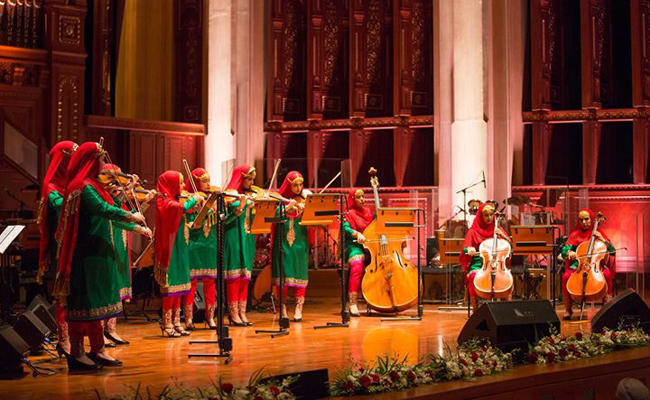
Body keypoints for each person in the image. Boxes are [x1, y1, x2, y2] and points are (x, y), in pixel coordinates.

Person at [54, 142, 150, 371]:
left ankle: (97, 349)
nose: (101, 164)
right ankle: (77, 353)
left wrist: (135, 226)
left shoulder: (95, 187)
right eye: (98, 159)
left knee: (97, 304)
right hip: (88, 256)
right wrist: (131, 215)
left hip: (100, 253)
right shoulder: (83, 187)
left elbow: (109, 216)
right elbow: (104, 211)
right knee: (84, 303)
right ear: (90, 161)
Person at [37, 140, 77, 358]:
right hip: (60, 249)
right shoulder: (52, 188)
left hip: (73, 247)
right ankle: (64, 339)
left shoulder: (70, 186)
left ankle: (76, 338)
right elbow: (61, 205)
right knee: (62, 296)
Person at [154, 171, 201, 337]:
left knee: (180, 284)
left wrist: (195, 206)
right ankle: (167, 324)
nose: (183, 186)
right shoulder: (165, 202)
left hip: (180, 246)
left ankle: (176, 321)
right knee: (171, 285)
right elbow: (180, 208)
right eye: (180, 183)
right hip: (170, 248)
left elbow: (185, 211)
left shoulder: (174, 200)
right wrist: (194, 199)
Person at [561, 208, 616, 320]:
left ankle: (607, 307)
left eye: (586, 219)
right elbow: (564, 251)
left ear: (591, 220)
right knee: (566, 276)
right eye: (581, 220)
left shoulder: (599, 233)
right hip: (579, 264)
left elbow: (612, 250)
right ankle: (568, 309)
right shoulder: (575, 234)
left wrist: (602, 240)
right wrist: (569, 252)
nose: (584, 222)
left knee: (607, 275)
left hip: (596, 264)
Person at [271, 171, 311, 322]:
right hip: (283, 241)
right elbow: (272, 215)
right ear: (289, 185)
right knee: (284, 272)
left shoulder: (305, 199)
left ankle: (299, 307)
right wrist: (287, 208)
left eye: (300, 184)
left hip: (300, 239)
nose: (299, 187)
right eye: (295, 185)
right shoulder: (281, 199)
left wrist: (307, 206)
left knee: (300, 270)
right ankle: (283, 307)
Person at [223, 165, 260, 326]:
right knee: (234, 276)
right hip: (233, 237)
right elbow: (224, 220)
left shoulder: (251, 195)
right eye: (248, 179)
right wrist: (239, 207)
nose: (251, 183)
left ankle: (242, 312)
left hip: (248, 237)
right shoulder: (230, 195)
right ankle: (233, 313)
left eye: (252, 179)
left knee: (245, 276)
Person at [183, 168, 218, 329]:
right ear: (196, 182)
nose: (208, 184)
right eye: (204, 181)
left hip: (210, 243)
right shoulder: (190, 198)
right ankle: (189, 318)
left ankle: (210, 317)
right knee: (192, 282)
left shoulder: (214, 198)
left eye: (208, 181)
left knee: (210, 282)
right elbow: (187, 217)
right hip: (194, 244)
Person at [460, 202, 511, 312]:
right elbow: (464, 249)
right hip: (479, 264)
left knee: (507, 279)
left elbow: (509, 247)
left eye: (491, 215)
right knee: (473, 275)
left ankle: (507, 310)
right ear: (481, 216)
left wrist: (503, 236)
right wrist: (469, 249)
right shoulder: (473, 231)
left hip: (497, 263)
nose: (489, 218)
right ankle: (475, 309)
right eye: (486, 215)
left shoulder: (498, 229)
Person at [342, 188, 373, 317]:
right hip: (354, 245)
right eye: (359, 197)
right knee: (357, 263)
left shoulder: (369, 212)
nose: (362, 199)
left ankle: (376, 299)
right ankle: (352, 303)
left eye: (363, 196)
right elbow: (346, 228)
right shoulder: (348, 213)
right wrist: (357, 233)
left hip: (371, 246)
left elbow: (379, 223)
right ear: (353, 199)